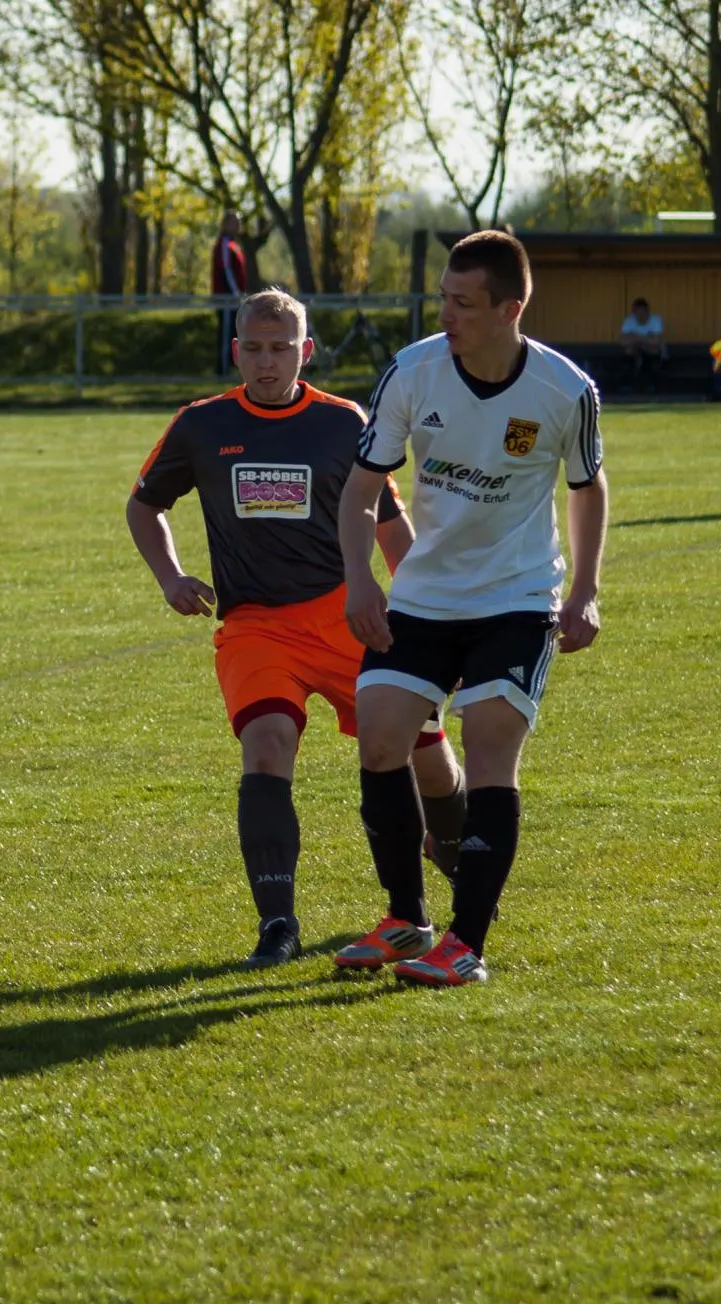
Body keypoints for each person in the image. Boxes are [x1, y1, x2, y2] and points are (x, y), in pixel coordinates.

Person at [126, 288, 466, 967]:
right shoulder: (201, 424)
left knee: (424, 750)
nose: (266, 361)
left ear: (305, 351)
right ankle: (277, 924)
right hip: (256, 626)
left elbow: (389, 522)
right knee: (267, 745)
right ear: (235, 351)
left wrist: (422, 611)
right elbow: (144, 505)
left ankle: (461, 871)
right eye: (253, 348)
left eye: (280, 348)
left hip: (348, 615)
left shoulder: (343, 422)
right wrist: (171, 576)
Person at [336, 230, 606, 986]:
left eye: (463, 302)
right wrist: (360, 580)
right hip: (424, 596)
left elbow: (587, 486)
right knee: (380, 737)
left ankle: (466, 943)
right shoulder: (413, 371)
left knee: (488, 745)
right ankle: (406, 919)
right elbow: (361, 491)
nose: (445, 314)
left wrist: (584, 590)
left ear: (509, 309)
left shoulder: (564, 390)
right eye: (443, 298)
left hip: (516, 598)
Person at [210, 210, 249, 377]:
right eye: (234, 222)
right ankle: (223, 370)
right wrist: (235, 293)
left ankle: (231, 368)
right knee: (226, 334)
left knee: (234, 332)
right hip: (226, 298)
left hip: (233, 298)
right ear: (226, 224)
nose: (238, 225)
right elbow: (226, 270)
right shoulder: (225, 245)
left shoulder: (233, 244)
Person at [617, 297, 667, 393]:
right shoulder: (629, 321)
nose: (639, 316)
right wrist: (646, 339)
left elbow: (656, 342)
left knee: (653, 351)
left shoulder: (655, 320)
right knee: (629, 350)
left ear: (647, 311)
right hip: (635, 349)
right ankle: (627, 384)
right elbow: (623, 342)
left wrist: (637, 337)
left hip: (651, 351)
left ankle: (652, 384)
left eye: (642, 312)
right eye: (637, 313)